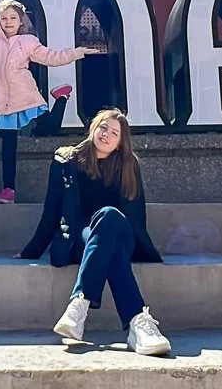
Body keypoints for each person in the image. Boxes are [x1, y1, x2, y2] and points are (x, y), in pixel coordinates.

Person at [17, 109, 171, 356]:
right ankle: (137, 324)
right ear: (92, 128)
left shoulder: (129, 165)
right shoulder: (67, 162)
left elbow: (137, 216)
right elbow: (52, 210)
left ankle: (79, 305)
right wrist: (31, 250)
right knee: (113, 251)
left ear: (121, 141)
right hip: (81, 239)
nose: (106, 135)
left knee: (109, 215)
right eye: (103, 127)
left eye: (114, 133)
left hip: (123, 233)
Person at [0, 0, 101, 203]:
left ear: (20, 21)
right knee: (9, 144)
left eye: (13, 18)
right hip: (2, 102)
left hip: (26, 97)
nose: (8, 22)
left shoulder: (28, 42)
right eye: (4, 18)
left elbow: (51, 57)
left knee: (50, 126)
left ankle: (61, 97)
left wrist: (77, 53)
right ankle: (8, 190)